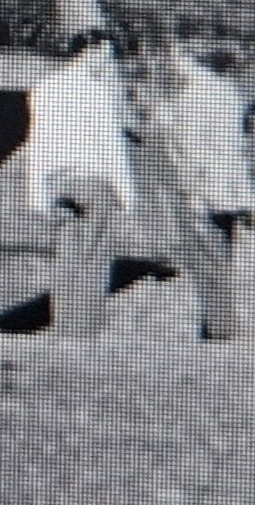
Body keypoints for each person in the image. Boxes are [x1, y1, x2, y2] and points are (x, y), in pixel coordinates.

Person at [120, 38, 251, 342]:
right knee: (220, 260)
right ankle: (220, 326)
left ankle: (219, 328)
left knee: (206, 262)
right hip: (228, 192)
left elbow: (188, 149)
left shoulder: (188, 97)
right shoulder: (228, 93)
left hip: (200, 191)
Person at [25, 32, 135, 338]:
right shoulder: (97, 91)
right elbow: (111, 145)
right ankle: (85, 329)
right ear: (93, 51)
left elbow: (38, 143)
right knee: (95, 257)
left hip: (60, 182)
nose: (108, 62)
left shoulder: (45, 88)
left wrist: (38, 194)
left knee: (68, 256)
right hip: (93, 182)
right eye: (107, 54)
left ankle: (65, 325)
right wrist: (126, 194)